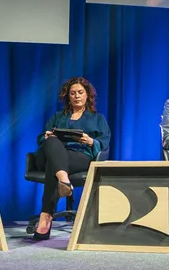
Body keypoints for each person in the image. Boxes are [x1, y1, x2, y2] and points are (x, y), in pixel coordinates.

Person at [32, 77, 111, 240]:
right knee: (52, 142)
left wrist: (91, 141)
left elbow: (104, 142)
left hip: (79, 156)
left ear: (87, 95)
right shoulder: (57, 116)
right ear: (68, 96)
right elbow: (41, 139)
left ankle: (45, 217)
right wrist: (45, 136)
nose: (76, 96)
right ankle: (64, 180)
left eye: (80, 92)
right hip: (52, 154)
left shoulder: (98, 118)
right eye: (73, 93)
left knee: (53, 166)